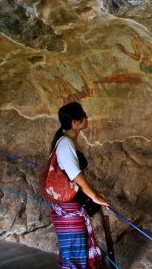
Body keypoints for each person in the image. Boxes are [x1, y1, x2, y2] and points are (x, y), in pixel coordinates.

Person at [49, 101, 108, 269]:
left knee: (76, 247)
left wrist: (94, 194)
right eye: (83, 116)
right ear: (75, 123)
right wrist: (94, 196)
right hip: (68, 206)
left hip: (69, 203)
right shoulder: (65, 143)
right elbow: (76, 176)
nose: (87, 118)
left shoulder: (67, 140)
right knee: (75, 249)